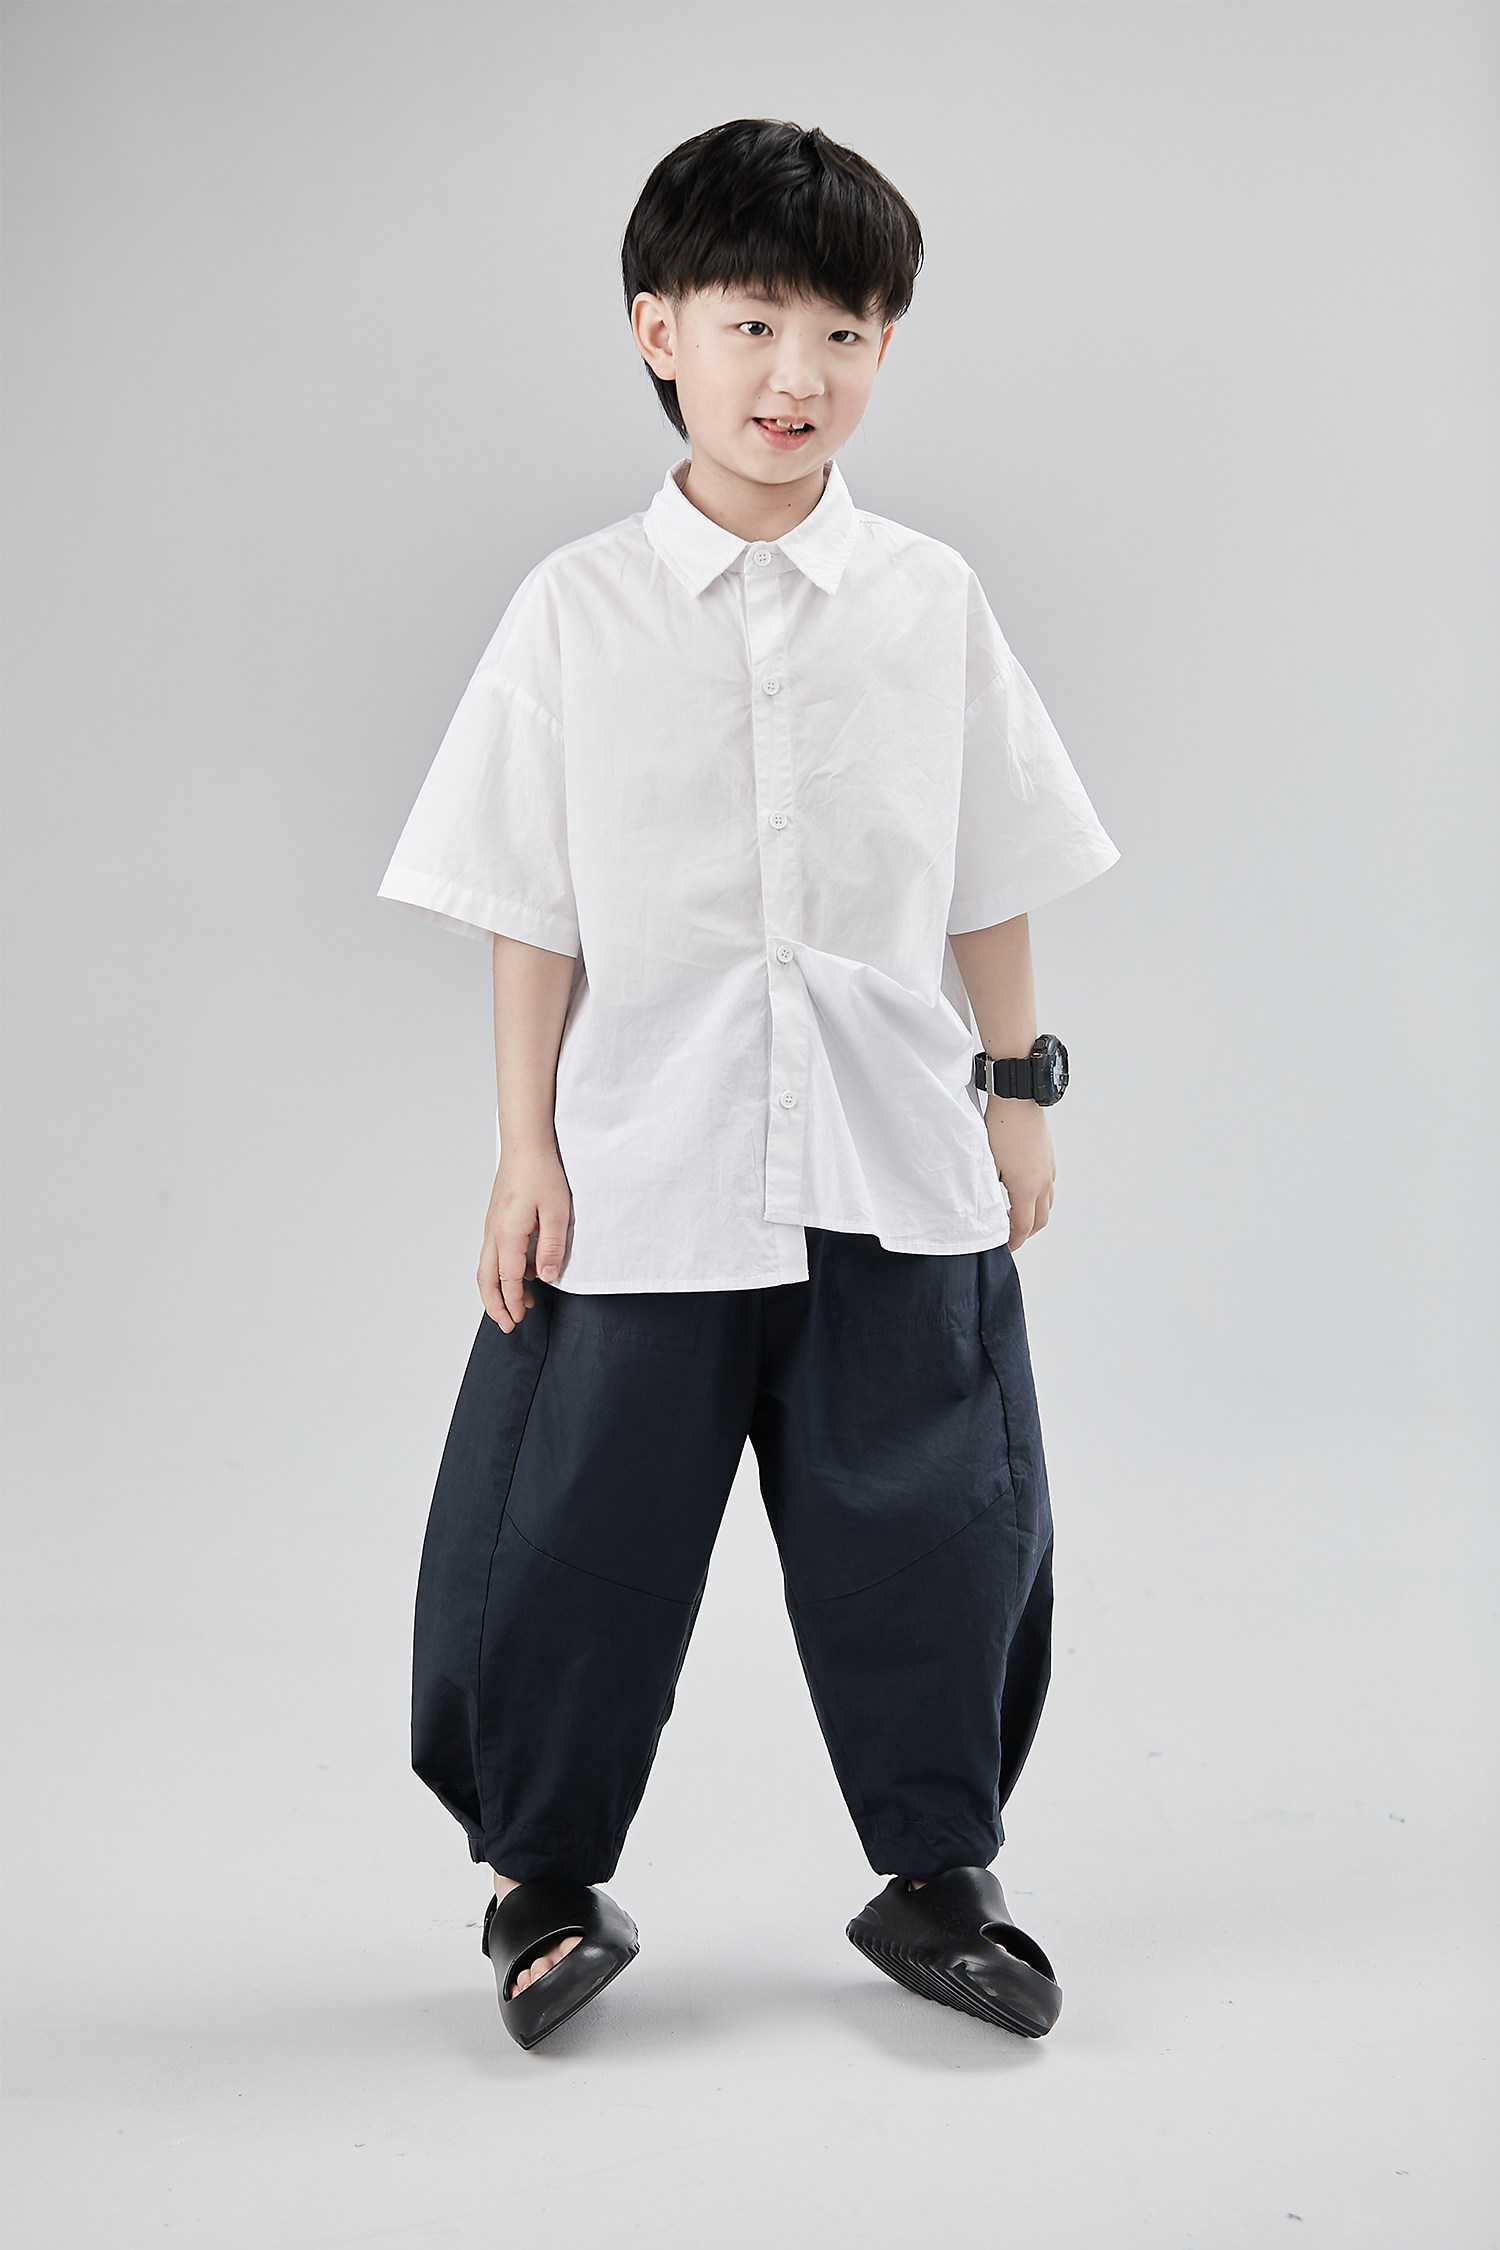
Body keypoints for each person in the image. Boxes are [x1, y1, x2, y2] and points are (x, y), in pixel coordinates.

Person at [377, 117, 1119, 2052]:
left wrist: (1017, 1086)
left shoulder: (931, 600)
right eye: (755, 322)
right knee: (570, 1528)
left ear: (889, 347)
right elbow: (529, 904)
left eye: (847, 332)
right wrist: (524, 1146)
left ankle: (940, 1873)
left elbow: (989, 865)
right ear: (660, 331)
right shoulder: (574, 610)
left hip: (892, 1150)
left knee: (941, 1518)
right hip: (645, 1159)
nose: (800, 374)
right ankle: (542, 1883)